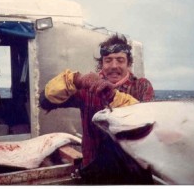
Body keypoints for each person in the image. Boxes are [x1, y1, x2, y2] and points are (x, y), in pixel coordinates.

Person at [39, 34, 154, 183]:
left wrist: (112, 95)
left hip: (134, 172)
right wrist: (76, 80)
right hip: (95, 173)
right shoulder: (88, 88)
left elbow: (146, 118)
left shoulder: (141, 86)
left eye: (120, 60)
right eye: (108, 60)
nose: (114, 66)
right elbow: (45, 101)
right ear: (101, 64)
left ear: (129, 64)